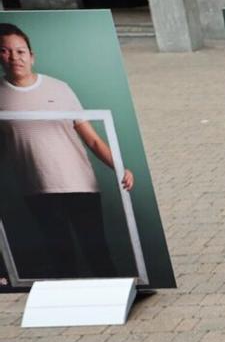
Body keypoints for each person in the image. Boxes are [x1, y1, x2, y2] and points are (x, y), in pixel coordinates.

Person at [0, 23, 134, 280]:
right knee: (62, 257)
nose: (14, 57)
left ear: (31, 55)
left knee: (97, 253)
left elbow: (92, 140)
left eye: (20, 51)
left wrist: (119, 167)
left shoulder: (59, 88)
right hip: (36, 189)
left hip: (80, 184)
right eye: (5, 51)